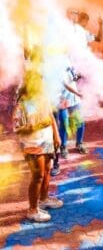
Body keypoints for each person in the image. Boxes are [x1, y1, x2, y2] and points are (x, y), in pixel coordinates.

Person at [14, 69, 64, 222]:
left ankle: (44, 199)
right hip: (33, 144)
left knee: (48, 171)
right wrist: (34, 126)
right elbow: (17, 128)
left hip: (47, 140)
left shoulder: (42, 97)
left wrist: (56, 136)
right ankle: (32, 209)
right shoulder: (23, 103)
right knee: (38, 176)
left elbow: (50, 116)